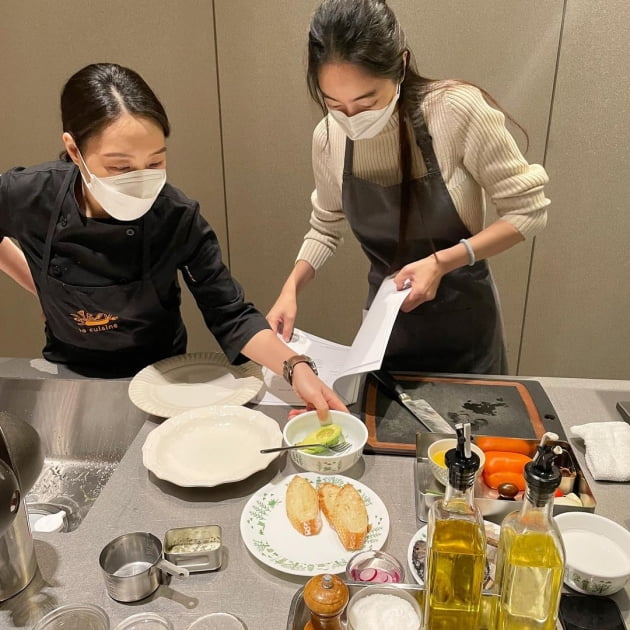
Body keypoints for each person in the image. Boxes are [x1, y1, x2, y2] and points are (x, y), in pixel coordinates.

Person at [0, 62, 346, 416]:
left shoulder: (177, 216)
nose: (140, 180)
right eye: (120, 167)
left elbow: (230, 313)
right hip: (68, 375)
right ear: (75, 152)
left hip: (159, 381)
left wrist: (294, 366)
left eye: (154, 163)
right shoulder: (29, 194)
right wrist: (41, 285)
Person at [267, 0, 550, 375]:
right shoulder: (328, 138)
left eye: (367, 101)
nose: (351, 119)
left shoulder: (454, 111)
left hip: (465, 330)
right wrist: (290, 289)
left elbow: (529, 211)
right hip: (386, 333)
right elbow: (325, 224)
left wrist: (442, 261)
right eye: (334, 104)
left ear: (400, 66)